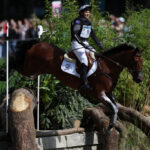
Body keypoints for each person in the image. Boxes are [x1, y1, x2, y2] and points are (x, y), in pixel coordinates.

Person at [71, 4, 104, 91]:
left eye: (89, 12)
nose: (88, 13)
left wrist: (99, 44)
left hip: (85, 43)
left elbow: (93, 35)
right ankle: (83, 84)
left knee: (95, 56)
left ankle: (93, 79)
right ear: (81, 12)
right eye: (86, 12)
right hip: (77, 43)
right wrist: (82, 43)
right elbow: (75, 34)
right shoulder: (78, 21)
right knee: (84, 60)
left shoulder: (88, 22)